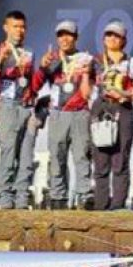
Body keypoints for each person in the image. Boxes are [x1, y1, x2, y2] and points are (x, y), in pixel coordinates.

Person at [33, 20, 94, 210]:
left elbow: (87, 93)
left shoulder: (86, 59)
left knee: (81, 157)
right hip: (58, 114)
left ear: (76, 37)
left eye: (69, 34)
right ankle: (58, 197)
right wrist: (43, 68)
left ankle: (84, 197)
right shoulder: (51, 59)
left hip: (79, 113)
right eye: (61, 35)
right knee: (57, 157)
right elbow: (35, 86)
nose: (64, 38)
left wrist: (85, 74)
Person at [92, 20, 133, 210]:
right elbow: (85, 91)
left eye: (117, 36)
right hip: (100, 109)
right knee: (100, 160)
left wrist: (124, 95)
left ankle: (117, 205)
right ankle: (100, 205)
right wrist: (83, 75)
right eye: (108, 35)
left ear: (124, 40)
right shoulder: (95, 61)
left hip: (123, 108)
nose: (112, 39)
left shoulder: (132, 62)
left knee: (120, 159)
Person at [0, 10, 36, 209]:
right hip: (6, 106)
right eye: (15, 26)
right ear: (6, 27)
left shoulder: (29, 52)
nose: (20, 31)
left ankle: (22, 197)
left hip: (25, 106)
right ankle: (5, 198)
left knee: (26, 155)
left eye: (23, 27)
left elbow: (31, 82)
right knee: (8, 153)